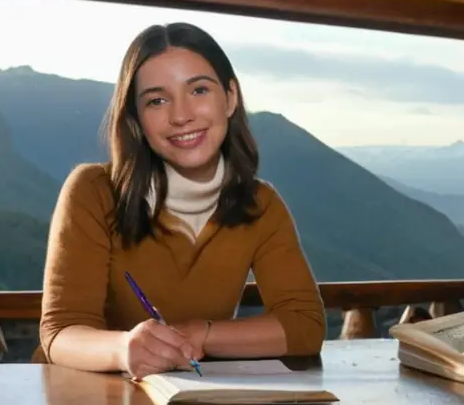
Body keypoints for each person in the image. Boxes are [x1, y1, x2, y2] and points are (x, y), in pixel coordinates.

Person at [37, 22, 326, 379]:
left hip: (195, 390)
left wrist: (198, 333)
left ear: (230, 98)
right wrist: (125, 348)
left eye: (199, 90)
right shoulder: (92, 191)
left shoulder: (261, 204)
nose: (180, 115)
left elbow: (304, 327)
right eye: (157, 100)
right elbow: (61, 332)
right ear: (138, 119)